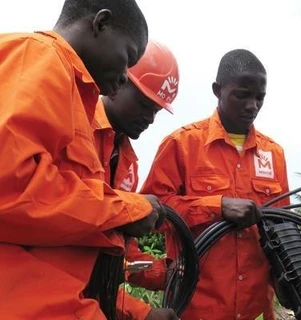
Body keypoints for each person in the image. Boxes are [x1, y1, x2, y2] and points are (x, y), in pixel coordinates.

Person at [0, 1, 175, 319]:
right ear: (101, 23)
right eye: (127, 57)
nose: (124, 76)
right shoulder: (40, 57)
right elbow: (10, 185)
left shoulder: (71, 93)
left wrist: (133, 311)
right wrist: (126, 209)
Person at [141, 49, 290, 320]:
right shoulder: (182, 144)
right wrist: (216, 207)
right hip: (196, 308)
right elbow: (151, 212)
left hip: (254, 309)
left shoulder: (273, 154)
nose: (251, 105)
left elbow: (283, 229)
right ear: (217, 90)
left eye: (259, 98)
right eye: (242, 95)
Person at [91, 39, 180, 320]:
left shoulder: (128, 164)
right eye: (145, 104)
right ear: (118, 81)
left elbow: (118, 251)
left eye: (156, 111)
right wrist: (141, 314)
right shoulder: (76, 130)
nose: (150, 119)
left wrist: (163, 274)